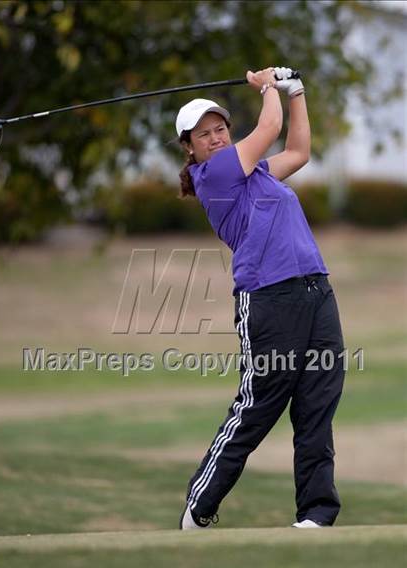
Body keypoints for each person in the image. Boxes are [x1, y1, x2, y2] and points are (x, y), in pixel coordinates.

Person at [176, 67, 345, 530]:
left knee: (317, 404)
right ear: (189, 148)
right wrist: (268, 84)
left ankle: (315, 516)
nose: (214, 138)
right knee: (258, 406)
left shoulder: (257, 174)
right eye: (203, 135)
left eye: (220, 129)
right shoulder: (213, 175)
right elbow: (268, 129)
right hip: (269, 301)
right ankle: (199, 506)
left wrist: (296, 92)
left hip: (315, 291)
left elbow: (298, 150)